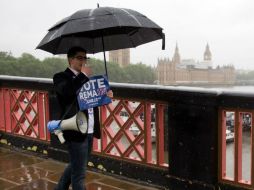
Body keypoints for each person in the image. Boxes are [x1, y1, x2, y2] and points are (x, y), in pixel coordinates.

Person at [53, 46, 113, 190]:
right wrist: (83, 76)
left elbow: (94, 99)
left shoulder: (87, 80)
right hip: (75, 130)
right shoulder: (60, 77)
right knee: (79, 175)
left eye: (85, 58)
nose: (83, 61)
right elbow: (67, 93)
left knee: (77, 164)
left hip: (90, 129)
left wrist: (106, 96)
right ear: (70, 59)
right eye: (80, 58)